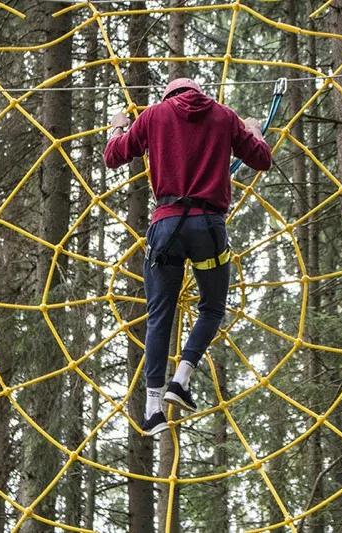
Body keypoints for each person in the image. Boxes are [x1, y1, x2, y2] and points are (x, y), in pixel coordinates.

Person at [103, 78, 272, 436]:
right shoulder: (225, 117)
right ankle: (182, 377)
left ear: (168, 95)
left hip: (166, 229)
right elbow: (262, 160)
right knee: (212, 309)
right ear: (198, 93)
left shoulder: (153, 116)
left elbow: (112, 156)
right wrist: (254, 132)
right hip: (209, 229)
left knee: (159, 315)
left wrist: (117, 127)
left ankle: (152, 409)